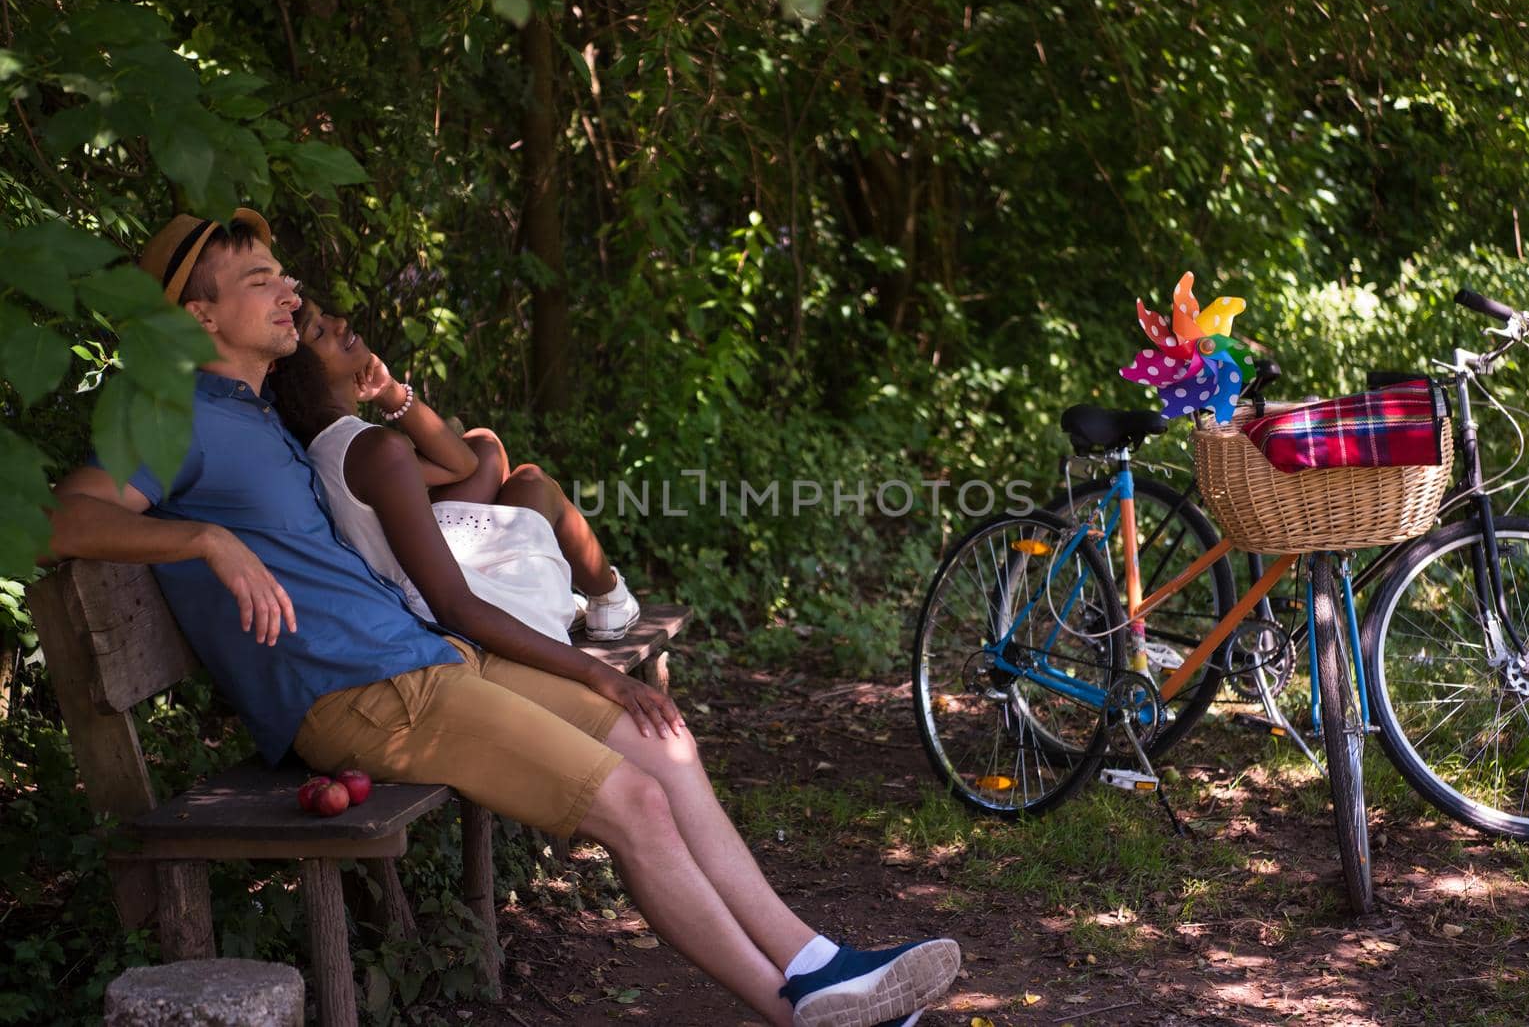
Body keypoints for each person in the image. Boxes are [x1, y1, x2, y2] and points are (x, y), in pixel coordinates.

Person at [46, 208, 958, 1027]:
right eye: (260, 280)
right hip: (359, 693)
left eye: (282, 273)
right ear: (198, 318)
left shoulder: (257, 413)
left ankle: (819, 966)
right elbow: (57, 517)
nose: (290, 289)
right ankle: (798, 1011)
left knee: (661, 745)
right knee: (633, 802)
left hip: (426, 661)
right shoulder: (169, 417)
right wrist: (204, 540)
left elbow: (447, 474)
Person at [266, 292, 638, 646]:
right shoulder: (373, 450)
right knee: (533, 484)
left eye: (327, 315)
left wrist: (390, 392)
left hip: (422, 582)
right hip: (453, 608)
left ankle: (584, 591)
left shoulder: (330, 443)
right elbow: (453, 596)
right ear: (300, 373)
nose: (340, 323)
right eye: (319, 330)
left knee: (485, 445)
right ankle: (609, 597)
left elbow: (464, 464)